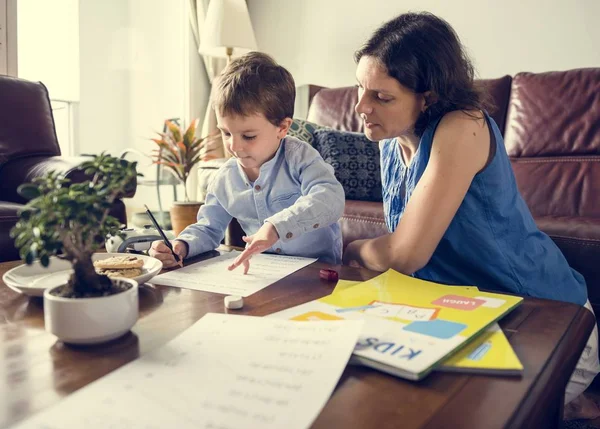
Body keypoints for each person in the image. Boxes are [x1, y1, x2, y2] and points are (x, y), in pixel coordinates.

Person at [342, 12, 599, 409]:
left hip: (545, 318)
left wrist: (352, 249)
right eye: (361, 88)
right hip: (465, 315)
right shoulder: (391, 142)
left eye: (382, 96)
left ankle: (571, 402)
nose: (361, 106)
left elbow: (405, 254)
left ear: (428, 97)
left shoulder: (463, 125)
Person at [150, 52, 345, 273]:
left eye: (248, 136)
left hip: (318, 271)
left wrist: (277, 227)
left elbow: (331, 199)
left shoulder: (300, 157)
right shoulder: (225, 178)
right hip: (265, 273)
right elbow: (208, 228)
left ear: (282, 127)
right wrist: (181, 246)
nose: (234, 146)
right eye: (226, 133)